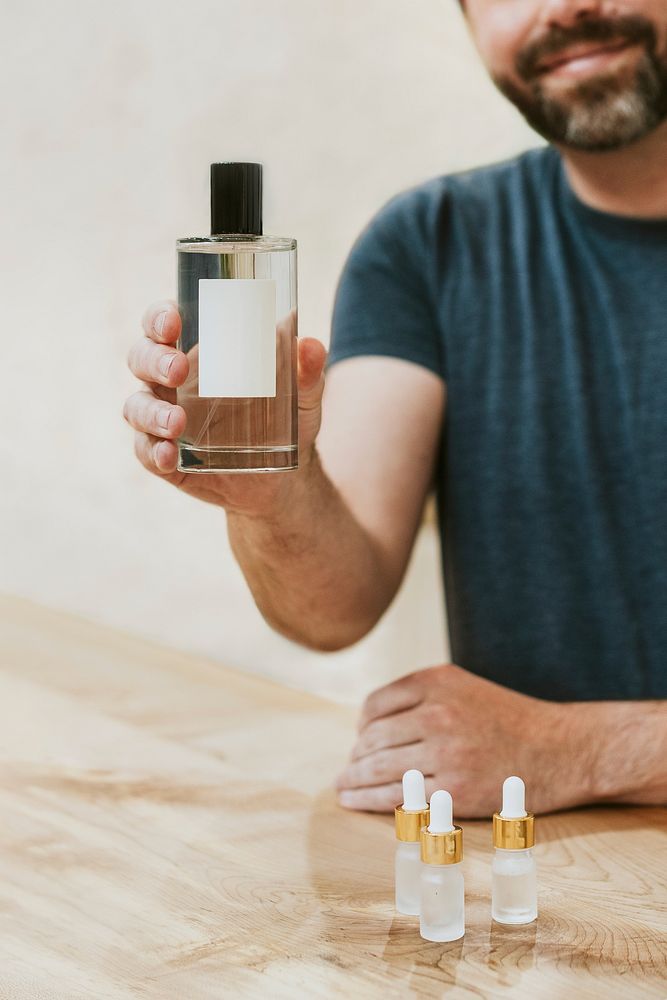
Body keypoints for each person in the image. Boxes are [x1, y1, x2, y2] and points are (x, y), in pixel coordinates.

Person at [124, 0, 667, 817]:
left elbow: (556, 751)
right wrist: (274, 496)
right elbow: (332, 607)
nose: (563, 8)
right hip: (533, 884)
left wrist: (572, 747)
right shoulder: (430, 243)